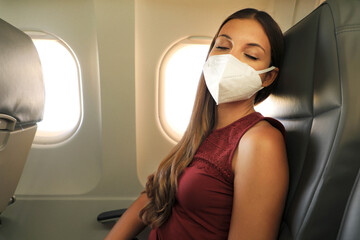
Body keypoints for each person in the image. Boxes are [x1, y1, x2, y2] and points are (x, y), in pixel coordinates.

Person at [105, 8, 288, 240]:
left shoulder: (260, 141)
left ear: (268, 76)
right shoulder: (202, 131)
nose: (229, 59)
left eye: (250, 55)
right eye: (222, 47)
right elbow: (152, 195)